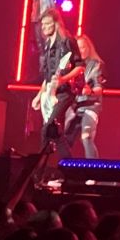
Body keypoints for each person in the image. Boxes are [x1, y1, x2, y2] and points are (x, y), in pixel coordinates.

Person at [31, 10, 83, 157]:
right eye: (43, 24)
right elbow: (48, 76)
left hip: (65, 92)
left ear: (56, 23)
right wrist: (39, 95)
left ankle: (38, 166)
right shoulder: (47, 45)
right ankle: (69, 165)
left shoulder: (67, 41)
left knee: (47, 128)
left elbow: (80, 67)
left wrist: (63, 80)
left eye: (48, 23)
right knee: (56, 132)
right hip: (50, 92)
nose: (44, 27)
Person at [65, 34, 106, 158]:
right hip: (74, 107)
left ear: (89, 48)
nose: (81, 51)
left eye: (83, 47)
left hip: (91, 106)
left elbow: (99, 88)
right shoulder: (71, 66)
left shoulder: (96, 65)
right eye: (78, 48)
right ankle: (66, 168)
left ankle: (92, 168)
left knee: (86, 137)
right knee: (64, 140)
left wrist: (90, 92)